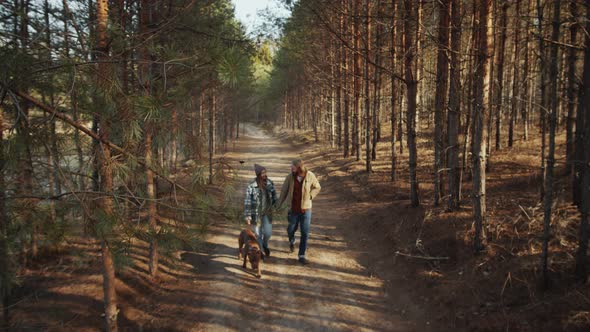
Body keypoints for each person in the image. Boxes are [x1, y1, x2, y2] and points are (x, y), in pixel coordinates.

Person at [278, 159, 321, 264]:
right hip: (293, 209)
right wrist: (278, 205)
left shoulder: (310, 175)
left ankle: (301, 255)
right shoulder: (290, 177)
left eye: (292, 167)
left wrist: (311, 196)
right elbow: (284, 190)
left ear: (298, 167)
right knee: (290, 229)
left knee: (305, 233)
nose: (291, 168)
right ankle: (292, 241)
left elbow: (317, 187)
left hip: (306, 210)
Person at [244, 164, 277, 258]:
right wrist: (247, 216)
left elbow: (275, 197)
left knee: (268, 233)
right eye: (263, 173)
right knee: (258, 234)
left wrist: (278, 206)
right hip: (256, 214)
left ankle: (265, 245)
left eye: (265, 172)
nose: (265, 174)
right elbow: (247, 201)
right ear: (258, 175)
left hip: (267, 213)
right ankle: (261, 251)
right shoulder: (251, 186)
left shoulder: (270, 183)